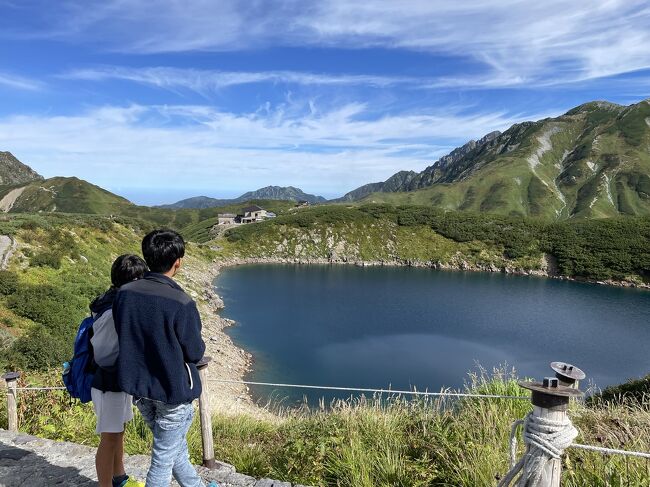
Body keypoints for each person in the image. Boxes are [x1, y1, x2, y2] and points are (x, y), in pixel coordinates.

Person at [113, 229, 218, 487]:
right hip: (171, 391)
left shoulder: (125, 293)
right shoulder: (181, 302)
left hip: (139, 388)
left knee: (174, 450)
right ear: (178, 261)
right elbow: (193, 351)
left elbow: (123, 331)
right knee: (162, 461)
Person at [90, 254, 148, 487]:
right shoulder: (117, 307)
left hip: (114, 380)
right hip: (109, 381)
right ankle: (107, 484)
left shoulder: (107, 300)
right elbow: (107, 349)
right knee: (109, 438)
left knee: (118, 431)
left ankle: (120, 477)